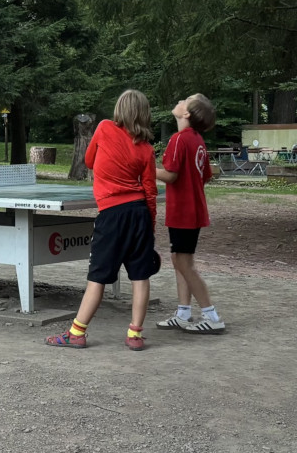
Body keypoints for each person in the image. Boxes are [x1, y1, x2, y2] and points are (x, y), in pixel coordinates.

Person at [47, 89, 158, 351]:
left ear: (120, 109)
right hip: (140, 213)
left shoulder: (105, 127)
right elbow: (150, 191)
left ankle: (77, 333)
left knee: (97, 277)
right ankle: (135, 334)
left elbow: (89, 161)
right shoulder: (146, 149)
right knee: (140, 277)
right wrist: (150, 227)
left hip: (112, 214)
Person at [155, 94, 224, 333]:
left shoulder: (179, 139)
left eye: (185, 100)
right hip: (193, 211)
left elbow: (170, 175)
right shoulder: (198, 140)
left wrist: (143, 168)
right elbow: (206, 175)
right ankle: (183, 313)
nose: (179, 101)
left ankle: (211, 316)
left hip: (182, 212)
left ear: (186, 114)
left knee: (184, 263)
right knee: (180, 259)